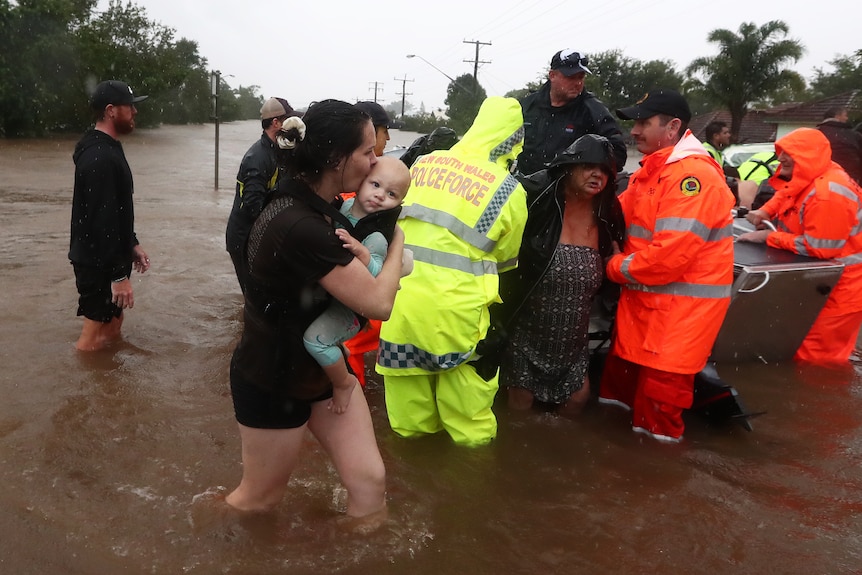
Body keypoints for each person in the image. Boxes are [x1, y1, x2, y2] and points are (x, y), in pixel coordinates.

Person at [225, 100, 405, 522]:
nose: (375, 158)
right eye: (366, 151)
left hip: (322, 369)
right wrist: (397, 243)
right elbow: (380, 303)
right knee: (258, 501)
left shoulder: (318, 207)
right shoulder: (301, 226)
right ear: (334, 159)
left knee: (369, 483)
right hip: (275, 379)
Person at [377, 96, 528, 447]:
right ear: (514, 141)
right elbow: (505, 261)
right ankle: (469, 490)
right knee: (468, 424)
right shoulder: (508, 190)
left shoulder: (425, 162)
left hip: (399, 305)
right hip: (458, 318)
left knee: (408, 419)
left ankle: (410, 481)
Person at [598, 88, 735, 443]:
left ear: (672, 127)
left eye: (643, 123)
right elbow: (616, 214)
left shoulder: (693, 179)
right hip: (642, 311)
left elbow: (667, 259)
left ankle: (655, 480)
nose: (634, 132)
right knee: (616, 394)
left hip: (678, 320)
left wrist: (611, 266)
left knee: (659, 413)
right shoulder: (652, 172)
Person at [488, 134, 625, 416]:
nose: (596, 175)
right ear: (570, 167)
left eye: (604, 171)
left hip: (573, 343)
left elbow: (616, 256)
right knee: (520, 406)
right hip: (526, 332)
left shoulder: (608, 213)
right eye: (589, 166)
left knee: (577, 400)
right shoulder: (537, 199)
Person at [739, 128, 862, 365]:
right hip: (823, 281)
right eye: (781, 151)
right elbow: (788, 192)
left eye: (788, 153)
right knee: (800, 349)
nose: (780, 158)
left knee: (817, 360)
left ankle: (820, 401)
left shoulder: (828, 193)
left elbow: (821, 248)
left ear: (807, 156)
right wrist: (765, 211)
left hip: (842, 288)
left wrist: (768, 237)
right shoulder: (815, 173)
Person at [302, 156, 412, 413]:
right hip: (334, 296)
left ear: (399, 203)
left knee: (314, 341)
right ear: (362, 182)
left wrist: (363, 254)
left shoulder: (376, 236)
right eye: (375, 185)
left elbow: (378, 277)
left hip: (349, 312)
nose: (379, 196)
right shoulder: (345, 206)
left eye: (391, 194)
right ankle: (341, 356)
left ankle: (343, 383)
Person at [70, 80, 151, 351]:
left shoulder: (108, 147)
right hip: (96, 262)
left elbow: (117, 208)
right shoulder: (99, 157)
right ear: (111, 110)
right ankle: (84, 389)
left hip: (109, 255)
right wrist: (118, 277)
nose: (135, 112)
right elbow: (101, 220)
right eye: (129, 106)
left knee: (113, 326)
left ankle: (107, 384)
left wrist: (132, 243)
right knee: (93, 337)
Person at [225, 97, 302, 292]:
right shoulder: (257, 158)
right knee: (254, 296)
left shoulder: (278, 150)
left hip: (256, 236)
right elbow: (254, 207)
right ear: (276, 122)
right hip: (243, 239)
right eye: (287, 120)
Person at [517, 49, 626, 176]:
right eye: (571, 77)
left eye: (581, 77)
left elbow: (618, 154)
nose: (578, 83)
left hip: (568, 192)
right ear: (552, 75)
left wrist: (582, 173)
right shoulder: (527, 106)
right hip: (524, 188)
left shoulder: (593, 111)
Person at [817, 107, 862, 184]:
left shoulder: (816, 133)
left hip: (821, 180)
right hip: (851, 180)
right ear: (837, 116)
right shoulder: (854, 135)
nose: (847, 118)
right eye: (845, 115)